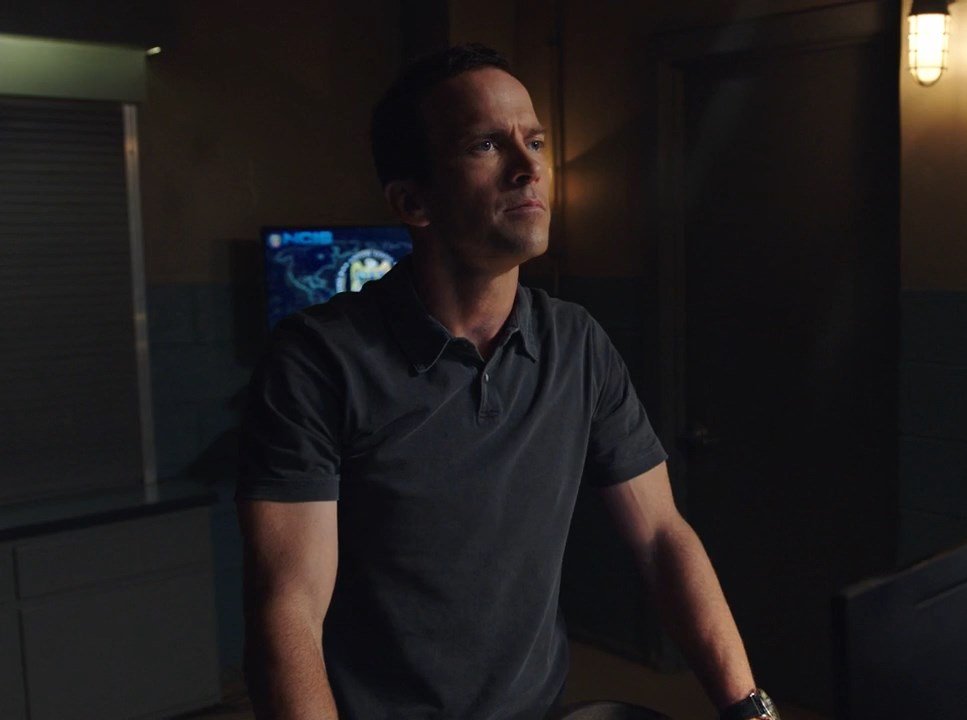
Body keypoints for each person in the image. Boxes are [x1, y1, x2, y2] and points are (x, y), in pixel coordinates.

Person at [237, 44, 779, 720]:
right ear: (413, 201)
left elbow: (662, 538)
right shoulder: (317, 360)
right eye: (487, 145)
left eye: (535, 141)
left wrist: (748, 709)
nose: (530, 168)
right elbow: (287, 605)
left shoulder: (576, 343)